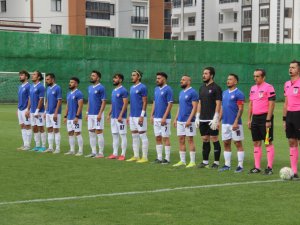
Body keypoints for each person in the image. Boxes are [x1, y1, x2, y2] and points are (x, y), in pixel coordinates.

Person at [248, 69, 276, 175]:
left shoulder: (269, 87)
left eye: (257, 76)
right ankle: (257, 167)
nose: (255, 78)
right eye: (254, 76)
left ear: (263, 77)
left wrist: (268, 119)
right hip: (255, 118)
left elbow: (272, 104)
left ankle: (269, 167)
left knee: (267, 142)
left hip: (265, 118)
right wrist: (249, 119)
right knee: (256, 142)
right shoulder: (253, 88)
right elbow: (250, 104)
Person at [196, 67, 222, 169]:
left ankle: (216, 162)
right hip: (202, 118)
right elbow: (200, 103)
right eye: (203, 73)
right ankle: (205, 161)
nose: (204, 75)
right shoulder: (201, 88)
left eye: (206, 73)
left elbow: (218, 103)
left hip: (212, 119)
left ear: (211, 75)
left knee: (214, 138)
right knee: (205, 139)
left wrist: (216, 117)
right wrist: (197, 116)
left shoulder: (216, 88)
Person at [219, 74, 245, 173]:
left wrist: (236, 122)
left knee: (237, 143)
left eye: (230, 79)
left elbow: (241, 109)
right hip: (225, 123)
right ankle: (227, 165)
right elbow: (222, 108)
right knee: (226, 143)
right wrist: (219, 120)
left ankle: (240, 165)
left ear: (235, 82)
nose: (228, 81)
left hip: (235, 124)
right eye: (227, 79)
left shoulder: (239, 94)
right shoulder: (224, 93)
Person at [173, 75, 198, 168]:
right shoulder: (181, 92)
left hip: (189, 121)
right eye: (181, 79)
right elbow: (180, 106)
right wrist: (176, 118)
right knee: (181, 140)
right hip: (180, 120)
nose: (181, 81)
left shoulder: (193, 92)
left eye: (183, 80)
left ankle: (192, 162)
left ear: (189, 81)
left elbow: (195, 107)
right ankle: (182, 161)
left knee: (190, 140)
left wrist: (189, 120)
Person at [150, 72, 173, 164]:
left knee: (165, 137)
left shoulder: (168, 89)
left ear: (164, 79)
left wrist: (164, 117)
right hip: (156, 118)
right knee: (157, 137)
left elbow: (170, 104)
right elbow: (154, 102)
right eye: (157, 78)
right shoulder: (156, 89)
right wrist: (152, 115)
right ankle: (159, 158)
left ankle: (167, 159)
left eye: (159, 78)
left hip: (165, 119)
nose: (157, 80)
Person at [126, 70, 149, 163]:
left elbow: (145, 102)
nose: (132, 77)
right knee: (134, 136)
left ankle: (144, 157)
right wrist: (129, 115)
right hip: (132, 116)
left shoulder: (142, 87)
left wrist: (142, 115)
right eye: (132, 75)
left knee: (142, 135)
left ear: (139, 77)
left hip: (140, 116)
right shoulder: (131, 87)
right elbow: (132, 103)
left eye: (134, 75)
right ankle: (136, 156)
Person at [283, 60, 300, 179]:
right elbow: (286, 103)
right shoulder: (287, 84)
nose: (290, 69)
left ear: (298, 70)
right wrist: (284, 119)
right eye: (290, 67)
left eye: (293, 67)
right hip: (289, 116)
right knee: (292, 142)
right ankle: (294, 172)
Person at [106, 73, 128, 160]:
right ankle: (115, 153)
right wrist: (109, 114)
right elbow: (113, 103)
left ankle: (123, 154)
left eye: (116, 78)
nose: (114, 80)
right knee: (114, 135)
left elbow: (125, 104)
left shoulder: (123, 90)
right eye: (113, 78)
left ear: (120, 80)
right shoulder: (114, 90)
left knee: (122, 135)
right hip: (113, 117)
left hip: (120, 118)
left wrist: (121, 115)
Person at [85, 70, 106, 158]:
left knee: (99, 132)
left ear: (98, 78)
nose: (91, 77)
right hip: (90, 114)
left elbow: (104, 102)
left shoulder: (101, 88)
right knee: (91, 132)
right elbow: (89, 100)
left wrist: (100, 114)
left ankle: (101, 153)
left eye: (93, 76)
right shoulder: (89, 88)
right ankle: (93, 152)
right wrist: (87, 112)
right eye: (91, 75)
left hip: (98, 114)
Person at [25, 71, 46, 152]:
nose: (32, 76)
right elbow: (30, 99)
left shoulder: (41, 87)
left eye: (34, 74)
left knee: (41, 127)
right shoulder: (31, 86)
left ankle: (43, 146)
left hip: (39, 111)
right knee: (34, 127)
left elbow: (41, 99)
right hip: (32, 111)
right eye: (32, 74)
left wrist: (37, 110)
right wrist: (28, 109)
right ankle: (37, 145)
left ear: (39, 77)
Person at [64, 77, 84, 156]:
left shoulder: (79, 93)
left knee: (77, 133)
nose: (70, 83)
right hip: (69, 117)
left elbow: (80, 106)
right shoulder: (69, 93)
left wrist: (77, 116)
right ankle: (72, 150)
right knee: (70, 133)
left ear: (76, 84)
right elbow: (67, 106)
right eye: (70, 82)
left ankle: (80, 151)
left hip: (76, 117)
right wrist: (65, 116)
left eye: (72, 82)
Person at [44, 73, 62, 154]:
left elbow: (59, 101)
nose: (46, 81)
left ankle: (57, 148)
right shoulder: (48, 88)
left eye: (48, 79)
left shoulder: (58, 88)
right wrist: (45, 111)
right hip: (48, 113)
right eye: (46, 79)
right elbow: (47, 100)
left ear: (53, 79)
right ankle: (50, 147)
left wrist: (55, 113)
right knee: (49, 129)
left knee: (56, 130)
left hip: (55, 113)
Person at [17, 70, 32, 151]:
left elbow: (30, 98)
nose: (20, 76)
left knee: (27, 126)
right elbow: (19, 99)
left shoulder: (29, 86)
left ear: (26, 76)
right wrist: (17, 109)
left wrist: (28, 109)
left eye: (22, 75)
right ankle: (24, 144)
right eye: (20, 75)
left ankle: (28, 145)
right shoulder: (20, 86)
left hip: (25, 109)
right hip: (20, 109)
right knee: (22, 126)